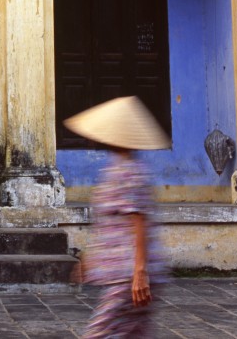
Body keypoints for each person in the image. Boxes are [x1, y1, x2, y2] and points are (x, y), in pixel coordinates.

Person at [63, 95, 169, 338]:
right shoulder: (117, 168)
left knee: (99, 334)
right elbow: (109, 223)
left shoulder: (128, 172)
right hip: (122, 274)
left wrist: (140, 273)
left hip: (128, 278)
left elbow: (138, 222)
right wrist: (89, 259)